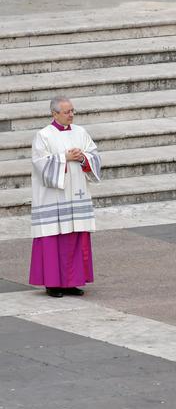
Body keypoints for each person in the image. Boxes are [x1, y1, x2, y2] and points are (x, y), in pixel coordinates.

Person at [29, 96, 101, 298]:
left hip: (77, 194)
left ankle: (72, 282)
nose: (71, 115)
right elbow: (39, 164)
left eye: (72, 111)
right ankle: (52, 284)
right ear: (54, 113)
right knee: (53, 239)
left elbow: (95, 156)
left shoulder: (81, 132)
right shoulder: (43, 136)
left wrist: (84, 157)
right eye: (67, 112)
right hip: (54, 197)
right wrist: (64, 158)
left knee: (75, 237)